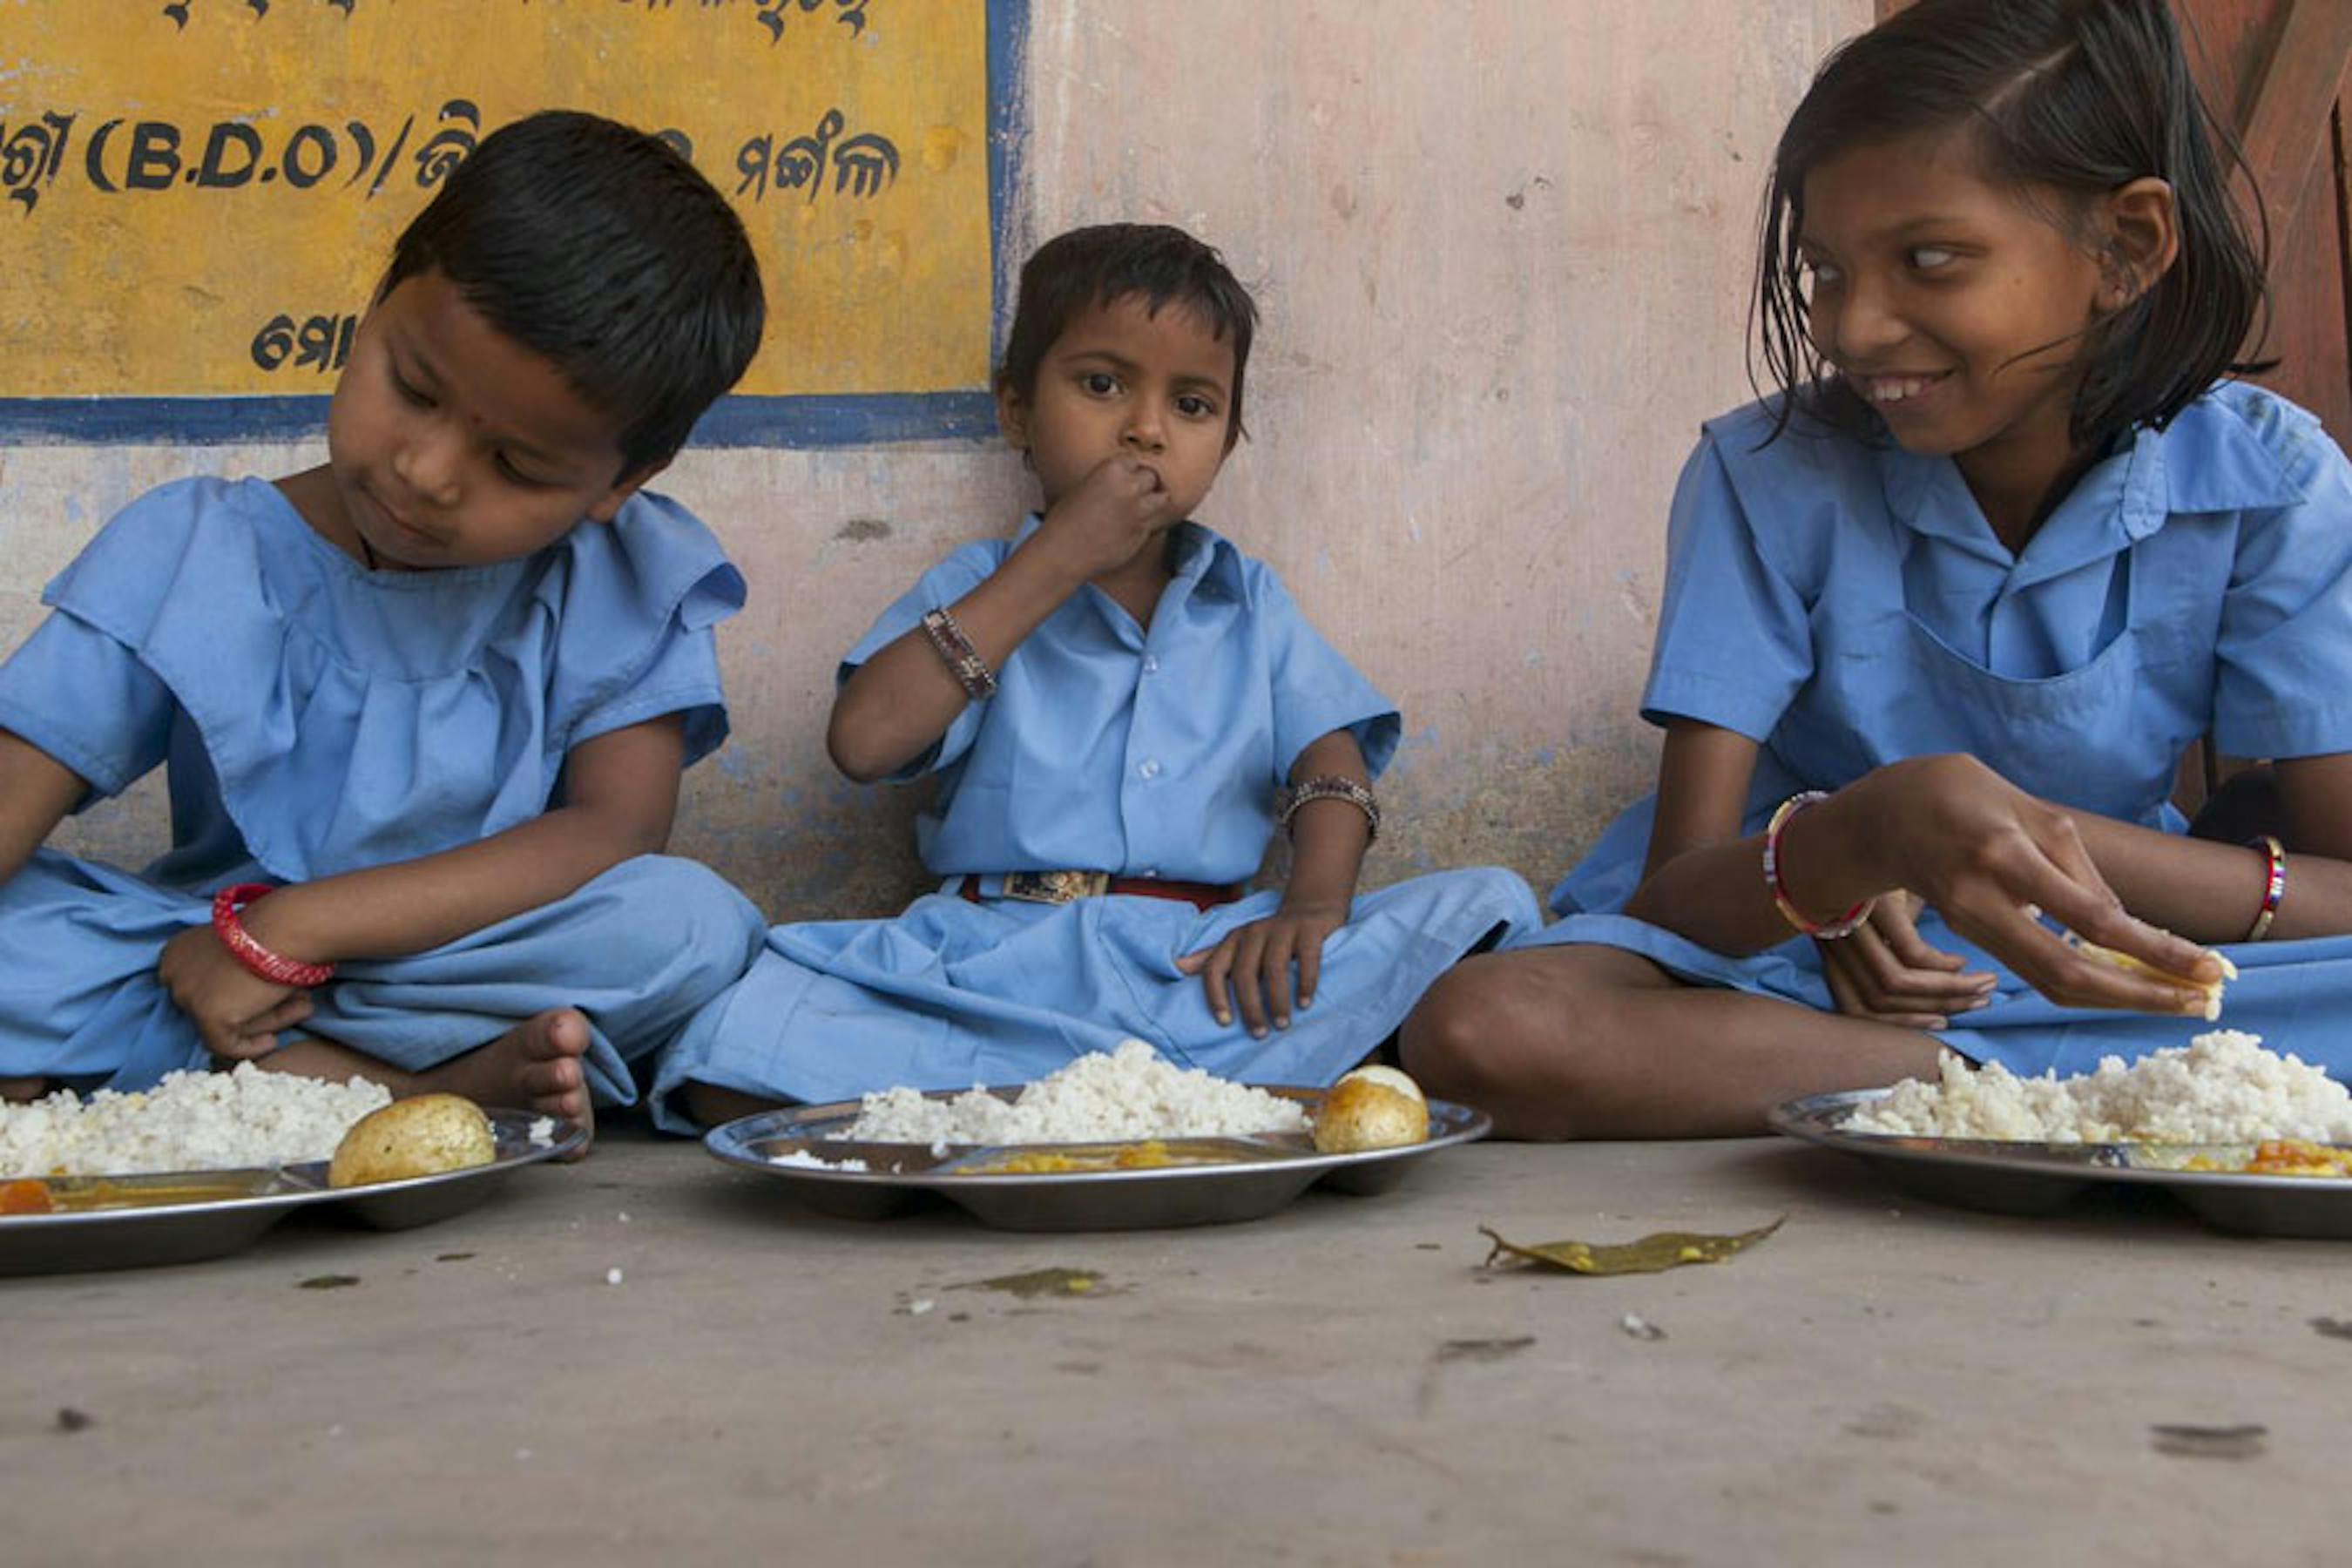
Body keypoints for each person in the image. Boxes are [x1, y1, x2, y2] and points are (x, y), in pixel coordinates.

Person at [1403, 0, 2352, 1138]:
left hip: (2107, 955)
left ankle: (2017, 1091)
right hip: (1806, 975)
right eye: (1825, 272)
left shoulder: (2272, 481)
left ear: (2127, 247)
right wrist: (1854, 844)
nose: (1855, 329)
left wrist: (2001, 836)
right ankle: (2028, 1098)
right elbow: (1676, 897)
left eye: (1929, 260)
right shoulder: (1765, 474)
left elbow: (2339, 890)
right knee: (1487, 1028)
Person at [663, 223, 1538, 1127]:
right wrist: (1057, 559)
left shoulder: (1247, 603)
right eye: (1102, 384)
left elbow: (1331, 763)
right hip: (996, 964)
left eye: (1192, 406)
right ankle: (1195, 1106)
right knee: (734, 1047)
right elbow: (864, 740)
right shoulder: (978, 586)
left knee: (1484, 907)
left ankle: (1048, 1110)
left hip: (1201, 972)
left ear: (1226, 446)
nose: (1145, 429)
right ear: (1015, 412)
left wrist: (1313, 909)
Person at [0, 110, 771, 1138]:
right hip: (189, 957)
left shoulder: (622, 580)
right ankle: (403, 1089)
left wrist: (293, 929)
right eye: (412, 389)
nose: (426, 473)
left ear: (624, 480)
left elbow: (614, 830)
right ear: (371, 307)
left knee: (689, 924)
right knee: (29, 931)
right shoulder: (197, 548)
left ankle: (220, 1075)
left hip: (447, 959)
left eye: (517, 466)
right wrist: (233, 946)